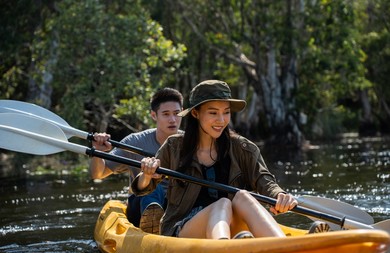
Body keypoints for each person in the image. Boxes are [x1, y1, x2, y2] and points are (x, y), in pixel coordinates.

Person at [131, 79, 299, 239]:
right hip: (184, 226)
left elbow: (264, 180)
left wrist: (279, 195)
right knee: (223, 203)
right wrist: (146, 175)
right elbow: (144, 188)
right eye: (213, 113)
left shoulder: (242, 147)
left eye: (226, 112)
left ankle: (283, 245)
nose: (221, 120)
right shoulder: (174, 146)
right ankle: (224, 247)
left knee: (242, 196)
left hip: (233, 224)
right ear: (196, 113)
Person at [90, 88, 183, 234]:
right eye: (166, 114)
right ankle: (152, 221)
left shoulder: (191, 143)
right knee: (153, 187)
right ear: (154, 115)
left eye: (177, 113)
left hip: (176, 206)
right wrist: (98, 152)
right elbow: (98, 174)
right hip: (140, 207)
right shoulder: (135, 142)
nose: (172, 119)